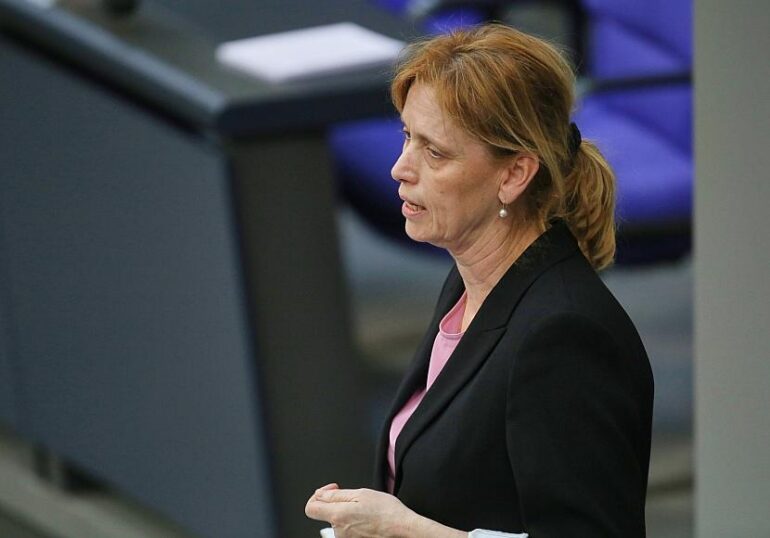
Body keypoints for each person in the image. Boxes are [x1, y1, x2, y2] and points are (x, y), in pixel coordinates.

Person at [306, 23, 653, 538]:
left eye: (435, 152)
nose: (400, 168)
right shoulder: (472, 280)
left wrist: (406, 531)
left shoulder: (565, 338)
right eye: (407, 136)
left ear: (513, 175)